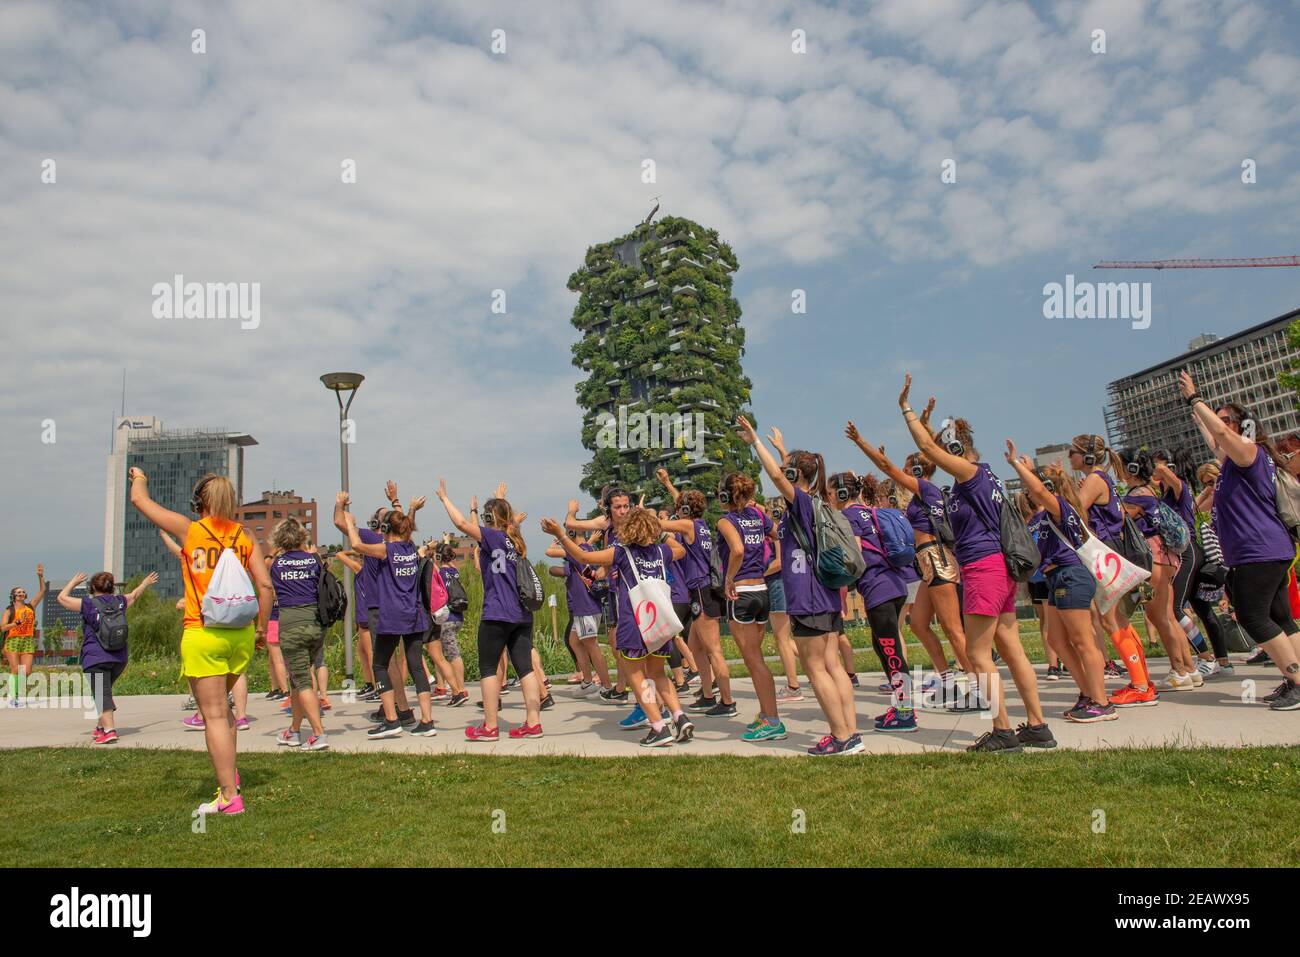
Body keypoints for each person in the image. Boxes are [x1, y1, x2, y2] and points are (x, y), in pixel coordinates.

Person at [899, 375, 1055, 752]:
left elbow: (924, 445)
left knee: (977, 653)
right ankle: (1037, 725)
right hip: (995, 568)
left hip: (984, 568)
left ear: (955, 448)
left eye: (944, 451)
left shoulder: (970, 475)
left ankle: (1002, 731)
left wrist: (906, 408)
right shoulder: (983, 477)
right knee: (1011, 645)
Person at [128, 469, 273, 816]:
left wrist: (141, 477)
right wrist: (259, 631)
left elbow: (139, 501)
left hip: (203, 632)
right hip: (239, 634)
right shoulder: (245, 536)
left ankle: (228, 797)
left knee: (213, 716)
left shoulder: (190, 530)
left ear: (200, 503)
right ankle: (230, 776)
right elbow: (265, 588)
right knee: (227, 715)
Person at [735, 415, 862, 755]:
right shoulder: (817, 502)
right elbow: (785, 473)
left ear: (794, 476)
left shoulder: (803, 503)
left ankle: (839, 736)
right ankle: (851, 732)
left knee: (815, 668)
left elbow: (777, 476)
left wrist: (756, 444)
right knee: (833, 666)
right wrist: (782, 449)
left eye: (788, 470)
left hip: (808, 598)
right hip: (825, 596)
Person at [1179, 372, 1300, 710]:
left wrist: (1195, 399)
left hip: (1258, 551)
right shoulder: (1235, 460)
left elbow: (1220, 435)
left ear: (1243, 426)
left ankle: (1297, 682)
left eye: (1227, 420)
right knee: (1280, 617)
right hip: (1266, 549)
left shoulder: (1248, 451)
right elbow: (1215, 439)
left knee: (1252, 616)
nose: (1219, 426)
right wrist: (1197, 414)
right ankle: (1294, 677)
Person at [541, 508, 695, 747]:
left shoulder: (622, 553)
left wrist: (561, 534)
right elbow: (681, 549)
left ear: (628, 529)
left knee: (636, 676)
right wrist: (661, 531)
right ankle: (679, 717)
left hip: (635, 621)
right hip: (659, 623)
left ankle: (658, 726)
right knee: (658, 674)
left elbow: (583, 558)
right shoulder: (662, 551)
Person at [845, 423, 974, 704]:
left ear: (917, 471)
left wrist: (860, 441)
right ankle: (948, 680)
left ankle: (979, 689)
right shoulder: (925, 493)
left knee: (953, 629)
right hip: (925, 561)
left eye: (907, 468)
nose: (902, 472)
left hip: (934, 558)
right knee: (918, 624)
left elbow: (885, 467)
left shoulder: (925, 489)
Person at [1006, 450, 1115, 721]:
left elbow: (1042, 493)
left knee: (1082, 640)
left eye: (1032, 489)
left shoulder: (1061, 508)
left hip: (1071, 575)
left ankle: (1101, 702)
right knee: (1056, 639)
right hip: (1054, 578)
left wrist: (1020, 467)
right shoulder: (1039, 517)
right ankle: (1087, 693)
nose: (1028, 494)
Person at [438, 480, 545, 740]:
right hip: (521, 615)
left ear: (489, 518)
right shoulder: (515, 540)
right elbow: (505, 522)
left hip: (497, 612)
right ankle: (533, 723)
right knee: (525, 669)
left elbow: (462, 525)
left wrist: (444, 499)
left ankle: (489, 726)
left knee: (487, 668)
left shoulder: (492, 536)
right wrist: (500, 500)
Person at [1068, 435, 1157, 705]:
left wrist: (1068, 492)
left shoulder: (1095, 480)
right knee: (1120, 620)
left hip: (1105, 553)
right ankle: (1141, 680)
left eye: (1073, 452)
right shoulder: (1101, 479)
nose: (1070, 456)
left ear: (1087, 456)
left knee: (1111, 620)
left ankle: (1141, 686)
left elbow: (1074, 513)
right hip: (1112, 550)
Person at [342, 495, 437, 738]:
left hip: (392, 616)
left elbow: (356, 547)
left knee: (380, 664)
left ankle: (392, 720)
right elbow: (407, 528)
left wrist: (351, 523)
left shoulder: (387, 550)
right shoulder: (411, 548)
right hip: (414, 615)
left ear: (385, 529)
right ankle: (427, 721)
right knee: (416, 667)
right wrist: (411, 509)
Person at [831, 470, 917, 733]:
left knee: (890, 651)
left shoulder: (848, 516)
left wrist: (841, 581)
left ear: (842, 493)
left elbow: (854, 553)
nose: (829, 496)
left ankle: (906, 713)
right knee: (883, 646)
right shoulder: (869, 511)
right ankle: (901, 706)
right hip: (894, 584)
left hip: (879, 588)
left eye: (831, 491)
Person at [653, 472, 735, 717]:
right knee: (695, 648)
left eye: (681, 509)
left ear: (687, 510)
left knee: (713, 650)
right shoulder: (699, 525)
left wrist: (644, 517)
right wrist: (669, 484)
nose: (678, 512)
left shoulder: (688, 526)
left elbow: (664, 524)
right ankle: (708, 695)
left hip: (701, 591)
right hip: (699, 591)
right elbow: (681, 510)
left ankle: (728, 701)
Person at [1119, 450, 1201, 690]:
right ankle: (1189, 669)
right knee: (1168, 615)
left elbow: (1116, 519)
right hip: (1165, 557)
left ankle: (1178, 670)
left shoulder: (1137, 496)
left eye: (1122, 466)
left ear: (1132, 469)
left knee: (1158, 617)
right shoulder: (1150, 492)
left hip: (1152, 558)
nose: (1119, 471)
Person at [716, 471, 785, 741]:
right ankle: (767, 715)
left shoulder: (725, 520)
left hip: (741, 592)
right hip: (762, 590)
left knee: (754, 660)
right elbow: (776, 533)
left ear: (725, 495)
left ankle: (773, 720)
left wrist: (729, 578)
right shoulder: (758, 516)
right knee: (757, 658)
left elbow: (737, 550)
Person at [56, 571, 158, 742]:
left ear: (93, 587)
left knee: (101, 693)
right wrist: (145, 583)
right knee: (103, 691)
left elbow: (62, 598)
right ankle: (101, 726)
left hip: (96, 656)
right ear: (111, 587)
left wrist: (73, 582)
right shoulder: (120, 602)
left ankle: (109, 731)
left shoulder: (89, 604)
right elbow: (134, 595)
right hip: (119, 658)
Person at [268, 518, 331, 751]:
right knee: (298, 680)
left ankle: (318, 733)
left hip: (291, 624)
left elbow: (269, 583)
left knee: (302, 681)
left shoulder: (276, 564)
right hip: (316, 625)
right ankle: (294, 731)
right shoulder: (314, 561)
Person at [546, 531, 610, 697]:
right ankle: (587, 681)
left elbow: (550, 553)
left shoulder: (577, 551)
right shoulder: (588, 548)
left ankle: (606, 685)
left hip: (585, 606)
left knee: (592, 645)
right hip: (586, 606)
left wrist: (559, 538)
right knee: (574, 640)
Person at [431, 543, 469, 706]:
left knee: (452, 654)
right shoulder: (455, 572)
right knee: (440, 653)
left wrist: (432, 558)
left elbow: (431, 568)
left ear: (439, 557)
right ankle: (441, 686)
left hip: (446, 618)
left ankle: (460, 689)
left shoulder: (440, 572)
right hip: (458, 617)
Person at [3, 565, 46, 706]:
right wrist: (14, 624)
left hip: (27, 639)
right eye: (19, 592)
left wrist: (40, 576)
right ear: (14, 596)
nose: (22, 594)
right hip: (13, 640)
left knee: (26, 671)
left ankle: (15, 692)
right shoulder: (9, 610)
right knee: (15, 669)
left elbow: (42, 591)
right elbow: (3, 627)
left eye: (23, 592)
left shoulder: (30, 606)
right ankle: (12, 696)